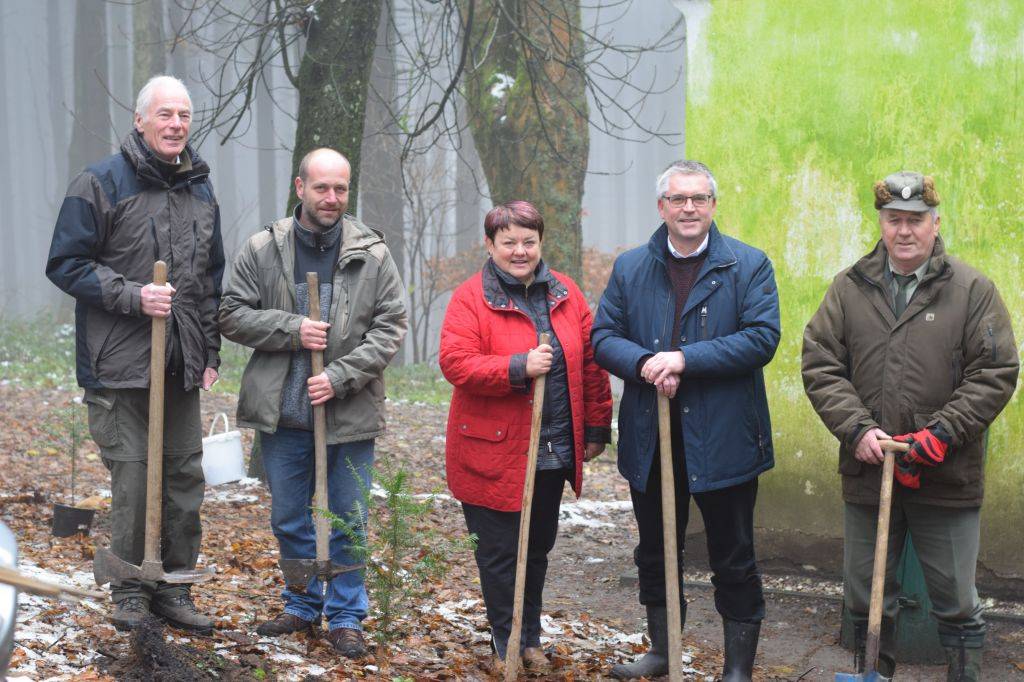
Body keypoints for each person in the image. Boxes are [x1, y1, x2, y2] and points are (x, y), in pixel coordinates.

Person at [801, 171, 1018, 681]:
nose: (904, 231)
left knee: (955, 599)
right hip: (869, 468)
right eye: (894, 220)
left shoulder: (971, 290)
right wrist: (857, 430)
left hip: (944, 472)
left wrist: (941, 433)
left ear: (935, 223)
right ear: (881, 222)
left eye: (915, 220)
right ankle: (875, 672)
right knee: (865, 595)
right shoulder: (850, 287)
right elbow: (820, 363)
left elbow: (995, 372)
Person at [46, 75, 224, 633]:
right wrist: (133, 295)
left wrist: (209, 349)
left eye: (184, 116)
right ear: (140, 120)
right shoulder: (99, 181)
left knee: (184, 477)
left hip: (180, 363)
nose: (176, 125)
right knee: (132, 478)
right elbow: (65, 264)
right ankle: (129, 588)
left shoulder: (200, 189)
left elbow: (208, 279)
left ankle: (173, 586)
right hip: (118, 363)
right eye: (165, 114)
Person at [591, 160, 780, 681]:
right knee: (655, 550)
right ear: (662, 207)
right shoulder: (632, 267)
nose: (689, 208)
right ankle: (663, 652)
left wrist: (684, 359)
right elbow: (605, 336)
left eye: (699, 199)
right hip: (652, 437)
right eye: (678, 199)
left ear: (713, 205)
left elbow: (761, 337)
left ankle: (737, 668)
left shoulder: (748, 265)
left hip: (725, 438)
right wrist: (647, 363)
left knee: (733, 555)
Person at [218, 147, 406, 658]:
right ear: (300, 188)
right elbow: (231, 313)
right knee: (289, 518)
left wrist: (340, 376)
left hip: (349, 413)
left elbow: (390, 328)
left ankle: (346, 615)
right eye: (321, 187)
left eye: (340, 188)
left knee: (349, 518)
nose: (331, 198)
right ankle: (301, 604)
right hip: (283, 412)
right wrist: (293, 328)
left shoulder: (372, 254)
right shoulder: (263, 248)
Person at [439, 200, 612, 674]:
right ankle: (505, 642)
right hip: (491, 449)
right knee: (500, 554)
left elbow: (591, 363)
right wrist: (518, 366)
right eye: (509, 242)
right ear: (490, 244)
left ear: (541, 243)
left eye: (529, 241)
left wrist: (596, 426)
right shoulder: (470, 298)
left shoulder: (566, 293)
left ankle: (529, 637)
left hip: (552, 448)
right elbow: (456, 363)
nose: (520, 251)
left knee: (536, 548)